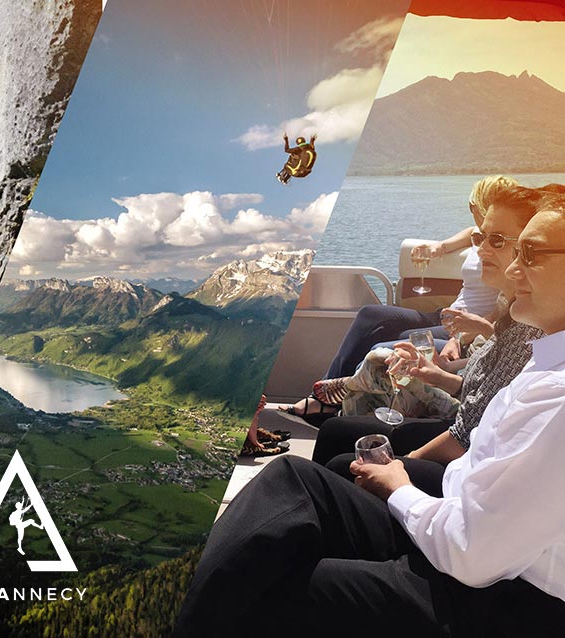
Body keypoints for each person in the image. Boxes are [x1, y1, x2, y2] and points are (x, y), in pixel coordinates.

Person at [174, 198, 565, 637]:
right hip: (468, 531)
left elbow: (473, 554)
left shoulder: (557, 397)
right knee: (292, 480)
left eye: (529, 254)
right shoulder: (547, 355)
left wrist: (400, 486)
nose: (513, 269)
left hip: (497, 598)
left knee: (270, 586)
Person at [309, 185, 546, 494]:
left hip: (471, 459)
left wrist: (400, 468)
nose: (482, 250)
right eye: (480, 238)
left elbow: (468, 433)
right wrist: (429, 372)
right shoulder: (507, 308)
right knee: (334, 432)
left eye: (497, 240)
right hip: (460, 428)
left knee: (342, 460)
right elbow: (475, 392)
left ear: (528, 250)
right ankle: (337, 396)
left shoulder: (529, 327)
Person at [280, 175, 515, 424]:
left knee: (399, 342)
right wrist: (438, 248)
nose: (471, 212)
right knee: (372, 315)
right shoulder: (479, 234)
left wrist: (459, 337)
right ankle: (328, 394)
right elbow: (469, 233)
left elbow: (499, 310)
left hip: (463, 327)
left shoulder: (504, 250)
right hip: (446, 314)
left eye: (473, 205)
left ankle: (340, 400)